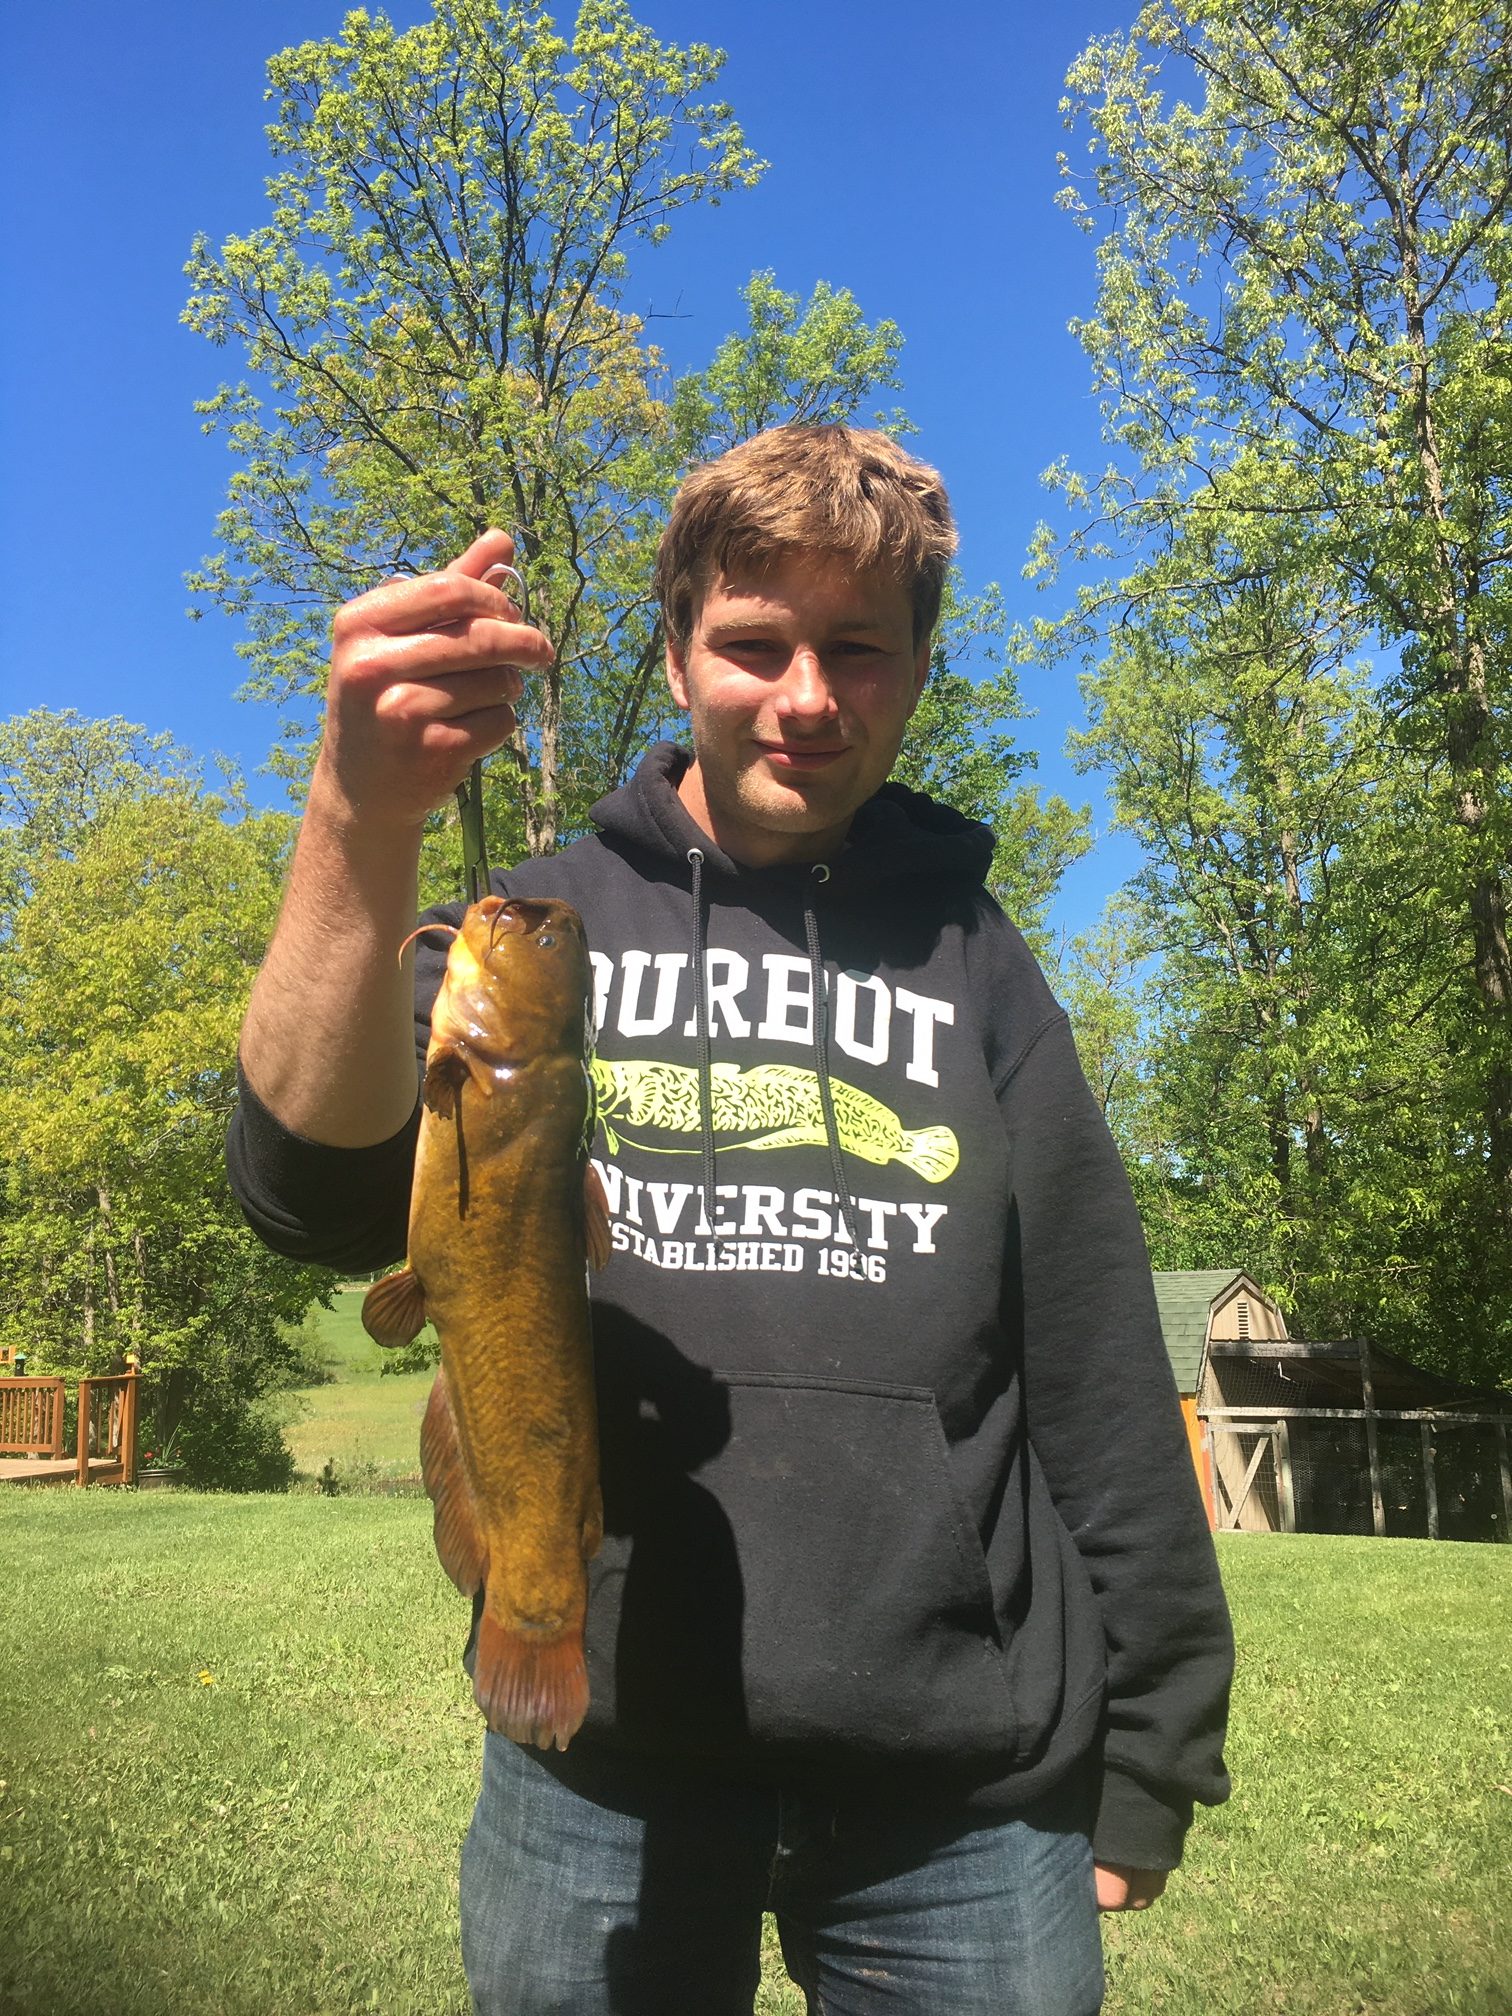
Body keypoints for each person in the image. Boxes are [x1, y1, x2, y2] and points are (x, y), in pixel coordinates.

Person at [228, 425, 1233, 2016]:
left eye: (861, 648)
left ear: (920, 669)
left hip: (961, 1796)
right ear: (678, 650)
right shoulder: (533, 934)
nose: (808, 698)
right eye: (756, 643)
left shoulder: (977, 958)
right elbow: (306, 1189)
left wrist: (1158, 1732)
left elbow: (1097, 1351)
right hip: (601, 1763)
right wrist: (361, 816)